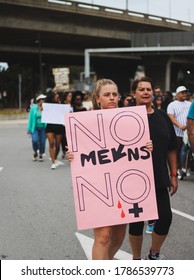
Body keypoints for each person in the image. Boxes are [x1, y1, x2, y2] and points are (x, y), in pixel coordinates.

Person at [66, 78, 153, 260]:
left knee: (118, 237)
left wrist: (146, 146)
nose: (112, 98)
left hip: (122, 186)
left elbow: (135, 149)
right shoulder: (84, 122)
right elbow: (80, 154)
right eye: (107, 95)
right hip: (99, 187)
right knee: (104, 236)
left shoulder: (129, 119)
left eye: (115, 94)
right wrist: (71, 155)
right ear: (98, 98)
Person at [128, 76, 178, 260]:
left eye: (149, 89)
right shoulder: (123, 117)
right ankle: (135, 259)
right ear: (134, 94)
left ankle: (154, 253)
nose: (146, 92)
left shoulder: (163, 117)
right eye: (141, 89)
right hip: (132, 180)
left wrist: (173, 174)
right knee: (136, 223)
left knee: (165, 218)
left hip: (158, 177)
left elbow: (172, 148)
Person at [167, 86, 191, 176]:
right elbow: (171, 117)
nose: (184, 94)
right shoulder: (172, 105)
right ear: (177, 94)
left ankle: (185, 167)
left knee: (188, 151)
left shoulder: (190, 104)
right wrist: (180, 125)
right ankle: (177, 168)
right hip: (176, 132)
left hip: (188, 132)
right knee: (176, 151)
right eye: (182, 92)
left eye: (185, 92)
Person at [45, 91, 64, 170]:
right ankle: (53, 162)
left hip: (59, 126)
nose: (57, 96)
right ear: (52, 97)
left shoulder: (61, 105)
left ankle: (55, 157)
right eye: (55, 95)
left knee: (58, 145)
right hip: (50, 126)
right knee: (51, 143)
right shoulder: (47, 105)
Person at [27, 94, 47, 161]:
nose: (43, 101)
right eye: (42, 99)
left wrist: (44, 111)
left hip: (43, 128)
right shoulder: (33, 108)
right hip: (35, 127)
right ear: (38, 100)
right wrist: (29, 128)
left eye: (44, 99)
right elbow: (30, 119)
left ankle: (41, 154)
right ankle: (35, 151)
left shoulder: (46, 108)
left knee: (42, 141)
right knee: (35, 140)